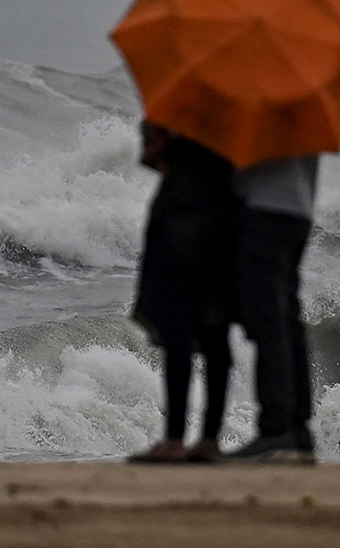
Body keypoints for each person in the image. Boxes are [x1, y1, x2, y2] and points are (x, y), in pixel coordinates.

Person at [128, 121, 240, 463]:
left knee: (183, 337)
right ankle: (208, 438)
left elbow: (152, 156)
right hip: (222, 222)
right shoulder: (234, 121)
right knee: (213, 335)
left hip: (184, 224)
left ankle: (178, 438)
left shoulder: (182, 112)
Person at [225, 154, 320, 464]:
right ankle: (298, 429)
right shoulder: (304, 108)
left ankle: (276, 427)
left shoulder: (262, 111)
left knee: (268, 319)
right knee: (288, 318)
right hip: (299, 211)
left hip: (266, 211)